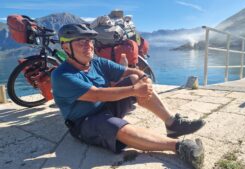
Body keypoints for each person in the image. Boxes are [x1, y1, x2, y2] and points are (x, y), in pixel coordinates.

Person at [51, 23, 206, 169]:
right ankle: (180, 147)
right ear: (66, 47)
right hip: (84, 122)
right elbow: (96, 94)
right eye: (81, 43)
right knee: (116, 127)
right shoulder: (61, 75)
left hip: (106, 107)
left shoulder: (96, 63)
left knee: (135, 79)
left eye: (89, 41)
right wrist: (134, 90)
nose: (88, 46)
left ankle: (172, 123)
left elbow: (129, 71)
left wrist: (143, 78)